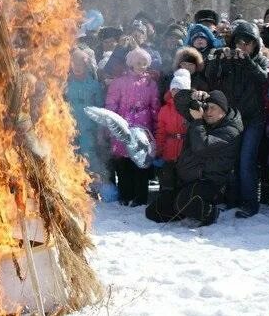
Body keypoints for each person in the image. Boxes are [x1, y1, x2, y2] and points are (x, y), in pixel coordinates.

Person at [145, 89, 243, 226]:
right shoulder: (204, 120)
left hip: (209, 182)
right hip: (188, 179)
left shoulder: (231, 131)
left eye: (213, 108)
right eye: (206, 107)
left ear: (223, 110)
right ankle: (185, 208)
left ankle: (211, 213)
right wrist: (193, 95)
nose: (208, 112)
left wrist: (197, 121)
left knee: (183, 203)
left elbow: (201, 147)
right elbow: (178, 100)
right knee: (154, 212)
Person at [204, 19, 269, 218]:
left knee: (246, 161)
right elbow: (210, 76)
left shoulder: (259, 60)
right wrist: (218, 59)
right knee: (231, 160)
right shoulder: (227, 58)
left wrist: (246, 60)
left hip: (253, 118)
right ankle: (232, 199)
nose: (243, 46)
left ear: (255, 44)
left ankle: (250, 203)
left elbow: (262, 78)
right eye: (240, 42)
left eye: (248, 42)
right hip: (232, 118)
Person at [104, 47, 159, 207]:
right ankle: (125, 194)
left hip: (143, 125)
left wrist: (155, 129)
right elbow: (111, 104)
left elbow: (155, 106)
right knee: (123, 162)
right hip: (123, 124)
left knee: (141, 161)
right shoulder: (119, 82)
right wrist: (110, 125)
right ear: (131, 63)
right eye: (137, 62)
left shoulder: (150, 83)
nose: (141, 66)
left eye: (144, 63)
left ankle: (140, 196)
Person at [66, 48, 105, 190]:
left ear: (86, 65)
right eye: (74, 64)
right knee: (72, 155)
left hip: (88, 127)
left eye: (80, 64)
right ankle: (76, 186)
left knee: (89, 155)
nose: (77, 67)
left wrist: (100, 130)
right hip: (69, 124)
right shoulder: (66, 83)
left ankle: (94, 185)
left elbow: (100, 108)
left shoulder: (94, 85)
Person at [154, 69, 191, 202]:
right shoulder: (165, 110)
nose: (176, 92)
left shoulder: (191, 109)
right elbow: (161, 131)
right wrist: (158, 149)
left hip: (185, 150)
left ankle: (183, 202)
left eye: (180, 89)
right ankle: (166, 202)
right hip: (169, 150)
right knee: (168, 179)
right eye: (174, 89)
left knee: (183, 179)